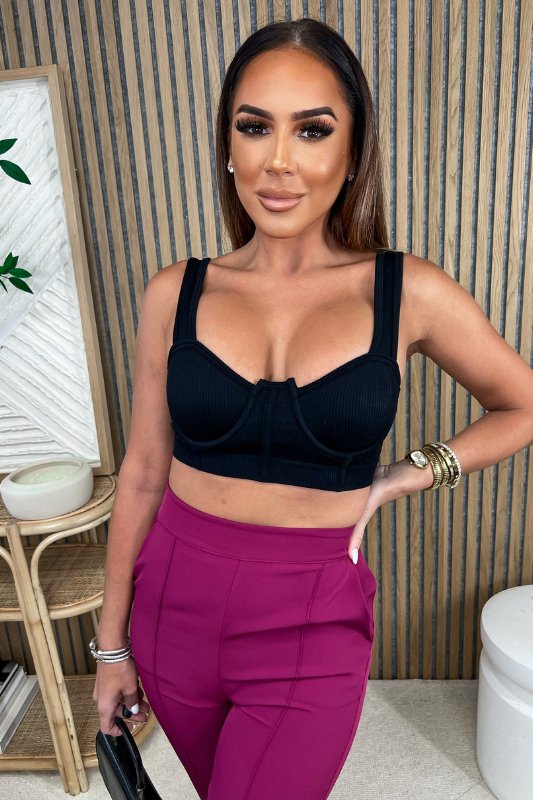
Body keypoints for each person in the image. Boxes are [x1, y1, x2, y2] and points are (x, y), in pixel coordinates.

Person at [90, 17, 533, 800]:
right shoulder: (174, 292)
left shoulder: (406, 291)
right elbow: (144, 473)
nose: (279, 160)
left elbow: (520, 405)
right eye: (254, 126)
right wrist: (110, 648)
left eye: (312, 129)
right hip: (171, 610)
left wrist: (410, 473)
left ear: (352, 151)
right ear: (228, 147)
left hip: (311, 619)